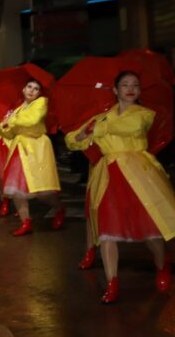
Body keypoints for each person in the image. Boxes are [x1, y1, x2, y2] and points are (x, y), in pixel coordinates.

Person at [68, 71, 175, 303]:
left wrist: (94, 130)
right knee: (107, 230)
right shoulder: (102, 118)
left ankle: (161, 265)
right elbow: (72, 139)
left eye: (135, 85)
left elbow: (130, 127)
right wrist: (80, 136)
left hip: (138, 173)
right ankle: (112, 282)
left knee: (150, 229)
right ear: (115, 90)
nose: (130, 88)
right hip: (107, 175)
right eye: (125, 85)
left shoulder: (144, 113)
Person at [0, 79, 65, 236]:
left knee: (41, 191)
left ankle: (59, 208)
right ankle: (26, 222)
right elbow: (10, 133)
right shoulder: (17, 109)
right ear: (23, 89)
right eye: (29, 87)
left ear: (39, 93)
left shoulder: (41, 103)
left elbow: (32, 120)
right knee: (17, 190)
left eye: (36, 88)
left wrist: (11, 120)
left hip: (36, 149)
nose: (32, 91)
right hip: (19, 150)